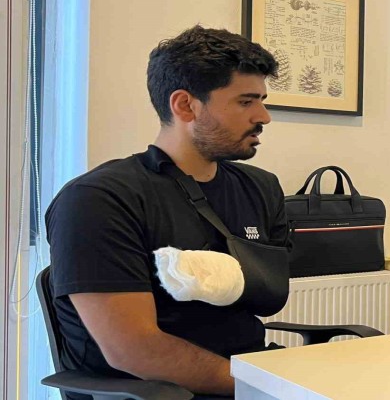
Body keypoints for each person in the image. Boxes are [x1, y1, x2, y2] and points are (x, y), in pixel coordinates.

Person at [45, 25, 287, 398]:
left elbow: (268, 297)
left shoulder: (260, 188)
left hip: (249, 379)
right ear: (185, 105)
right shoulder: (98, 200)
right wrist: (265, 387)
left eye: (262, 100)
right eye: (245, 102)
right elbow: (135, 350)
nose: (264, 116)